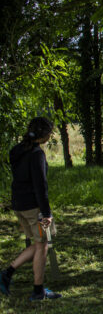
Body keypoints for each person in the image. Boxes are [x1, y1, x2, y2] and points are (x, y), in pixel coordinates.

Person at [0, 117, 61, 301]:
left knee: (37, 243)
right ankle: (37, 290)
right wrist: (46, 214)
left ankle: (7, 273)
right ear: (43, 134)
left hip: (19, 204)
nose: (50, 136)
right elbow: (40, 186)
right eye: (49, 133)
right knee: (42, 246)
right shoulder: (36, 154)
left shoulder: (17, 150)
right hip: (34, 207)